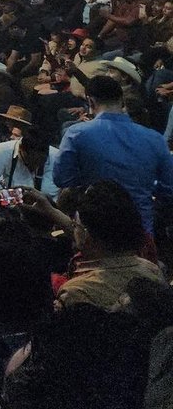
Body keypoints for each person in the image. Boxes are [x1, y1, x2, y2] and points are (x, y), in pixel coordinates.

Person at [54, 73, 173, 232]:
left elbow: (62, 178)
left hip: (95, 231)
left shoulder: (76, 134)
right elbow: (168, 190)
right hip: (141, 230)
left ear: (90, 101)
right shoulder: (155, 139)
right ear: (122, 101)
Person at [55, 179, 162, 309]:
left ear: (87, 235)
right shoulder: (152, 271)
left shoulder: (75, 293)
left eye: (75, 225)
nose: (73, 229)